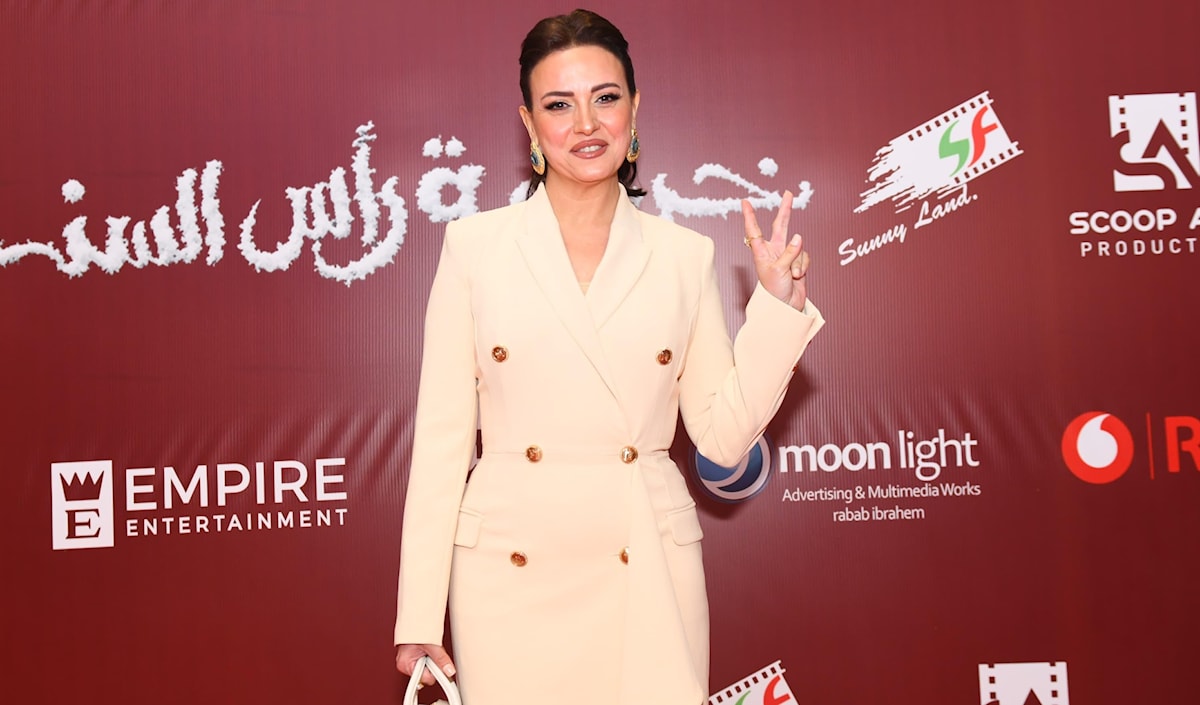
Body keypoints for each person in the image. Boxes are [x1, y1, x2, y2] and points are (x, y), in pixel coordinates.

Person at [393, 9, 823, 705]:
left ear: (634, 108)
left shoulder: (684, 256)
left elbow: (721, 439)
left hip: (645, 565)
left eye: (606, 97)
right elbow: (441, 444)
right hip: (509, 575)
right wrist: (419, 613)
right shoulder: (475, 248)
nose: (587, 124)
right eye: (559, 105)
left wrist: (776, 309)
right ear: (529, 123)